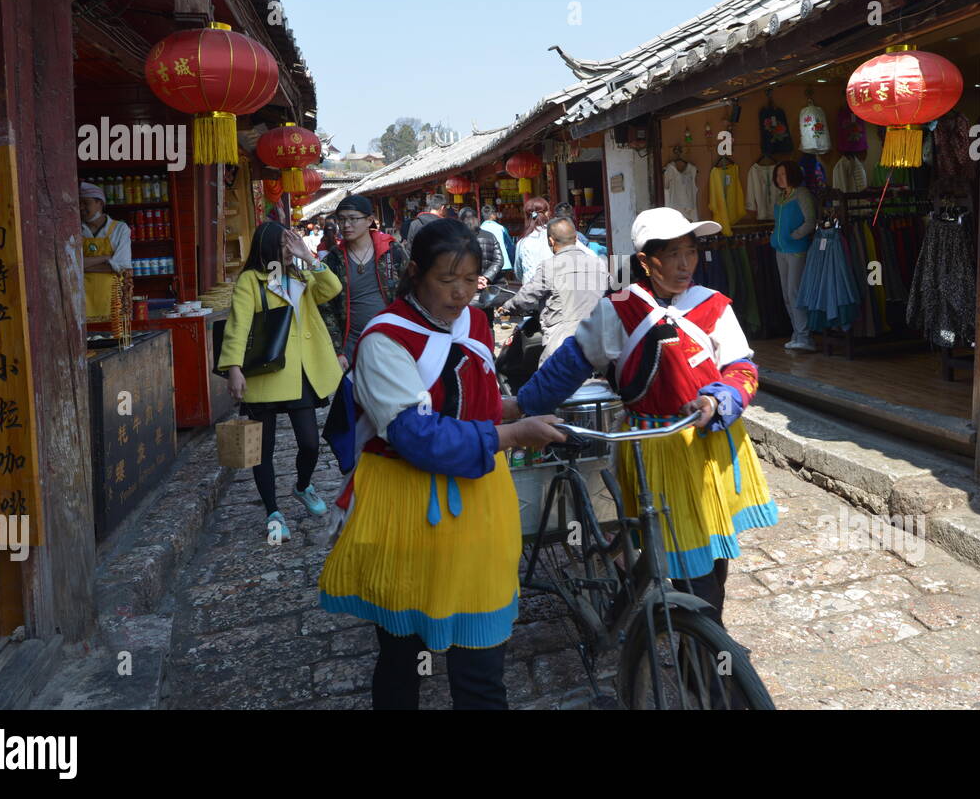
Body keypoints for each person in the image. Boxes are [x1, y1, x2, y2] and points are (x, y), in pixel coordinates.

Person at [318, 217, 566, 709]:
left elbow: (479, 398)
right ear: (415, 273)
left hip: (479, 502)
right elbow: (415, 435)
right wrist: (511, 433)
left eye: (470, 280)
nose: (459, 293)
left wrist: (514, 409)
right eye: (445, 280)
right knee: (402, 655)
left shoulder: (474, 321)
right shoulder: (384, 340)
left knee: (481, 662)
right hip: (405, 505)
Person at [506, 208, 776, 628]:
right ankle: (704, 661)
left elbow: (742, 369)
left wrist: (719, 400)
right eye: (673, 255)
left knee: (714, 553)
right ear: (647, 261)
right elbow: (569, 365)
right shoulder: (618, 312)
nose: (686, 264)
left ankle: (696, 640)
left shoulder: (714, 307)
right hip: (656, 446)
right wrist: (521, 407)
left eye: (691, 251)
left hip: (712, 444)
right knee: (693, 567)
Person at [217, 220, 343, 540]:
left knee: (311, 444)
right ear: (269, 247)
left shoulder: (301, 275)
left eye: (292, 245)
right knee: (263, 449)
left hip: (299, 372)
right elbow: (238, 326)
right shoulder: (252, 280)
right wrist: (233, 367)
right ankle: (273, 512)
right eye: (284, 245)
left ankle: (302, 485)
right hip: (263, 376)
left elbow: (333, 289)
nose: (289, 251)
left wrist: (309, 256)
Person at [500, 217, 607, 363]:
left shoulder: (549, 267)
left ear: (551, 241)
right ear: (576, 238)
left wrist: (507, 307)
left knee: (545, 382)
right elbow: (613, 294)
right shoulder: (599, 263)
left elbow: (527, 296)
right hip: (598, 340)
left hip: (561, 341)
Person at [321, 195, 408, 369]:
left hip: (393, 339)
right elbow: (326, 308)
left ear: (369, 220)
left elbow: (412, 291)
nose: (346, 225)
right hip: (352, 346)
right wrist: (338, 351)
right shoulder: (333, 260)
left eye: (353, 219)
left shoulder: (391, 251)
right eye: (342, 219)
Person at [772, 161, 817, 351]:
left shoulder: (802, 194)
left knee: (795, 292)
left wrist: (794, 235)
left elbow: (810, 221)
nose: (780, 178)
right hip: (781, 250)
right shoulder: (780, 197)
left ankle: (805, 337)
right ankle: (797, 333)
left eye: (783, 174)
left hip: (797, 250)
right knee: (786, 294)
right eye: (778, 175)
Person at [79, 181, 132, 323]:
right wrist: (105, 258)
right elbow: (72, 265)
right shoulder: (75, 229)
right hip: (82, 302)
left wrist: (83, 266)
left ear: (100, 203)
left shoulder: (120, 229)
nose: (81, 207)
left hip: (113, 300)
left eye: (85, 203)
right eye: (79, 203)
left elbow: (121, 266)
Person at [513, 197, 553, 285]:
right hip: (555, 290)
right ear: (547, 214)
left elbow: (518, 273)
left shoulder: (522, 242)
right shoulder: (556, 235)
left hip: (530, 292)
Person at [479, 204, 515, 273]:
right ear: (492, 215)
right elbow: (510, 247)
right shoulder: (501, 228)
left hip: (485, 267)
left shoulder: (479, 229)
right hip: (503, 265)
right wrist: (512, 263)